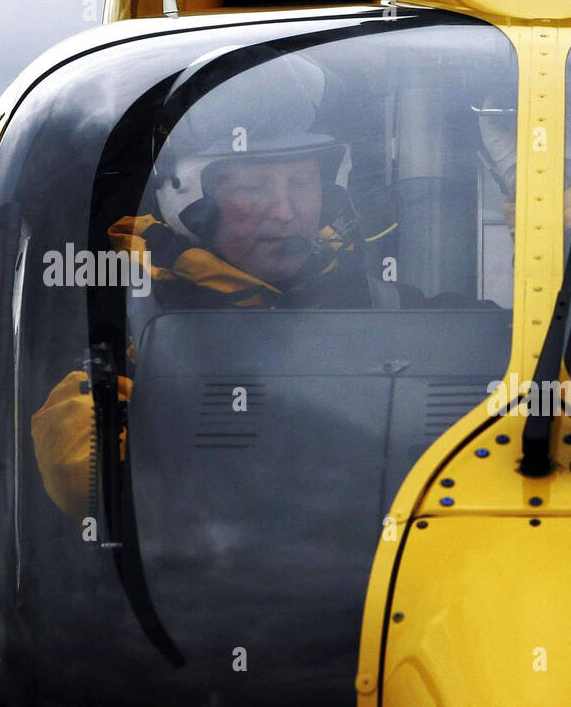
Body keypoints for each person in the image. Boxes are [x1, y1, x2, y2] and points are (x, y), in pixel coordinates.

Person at [31, 53, 407, 518]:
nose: (286, 212)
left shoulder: (384, 300)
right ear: (190, 200)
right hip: (198, 576)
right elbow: (81, 480)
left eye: (302, 183)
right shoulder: (119, 312)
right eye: (255, 189)